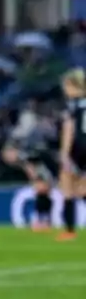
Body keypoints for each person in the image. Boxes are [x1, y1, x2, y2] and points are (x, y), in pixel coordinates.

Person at [1, 104, 58, 232]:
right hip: (39, 162)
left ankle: (45, 220)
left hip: (48, 162)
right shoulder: (20, 136)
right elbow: (10, 154)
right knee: (41, 190)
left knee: (43, 190)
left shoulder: (38, 132)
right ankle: (43, 220)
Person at [57, 69, 86, 242]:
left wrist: (64, 153)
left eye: (66, 85)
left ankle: (69, 231)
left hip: (78, 148)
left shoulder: (72, 105)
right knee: (83, 190)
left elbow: (69, 129)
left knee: (68, 188)